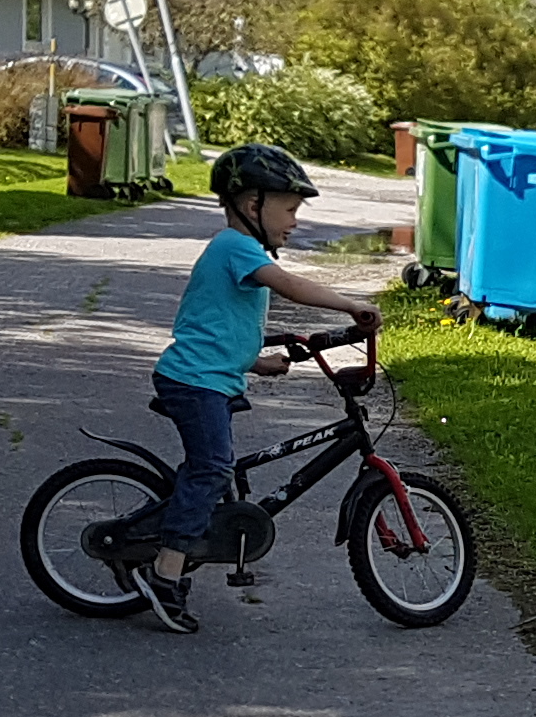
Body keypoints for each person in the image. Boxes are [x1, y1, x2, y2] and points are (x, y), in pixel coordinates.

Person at [139, 142, 383, 632]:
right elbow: (290, 285)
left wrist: (257, 361)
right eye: (289, 210)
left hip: (208, 375)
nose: (295, 221)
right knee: (212, 467)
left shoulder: (239, 251)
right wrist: (350, 305)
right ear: (253, 204)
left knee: (213, 469)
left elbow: (216, 326)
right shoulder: (236, 247)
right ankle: (164, 573)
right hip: (193, 381)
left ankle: (189, 531)